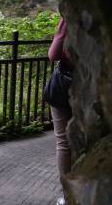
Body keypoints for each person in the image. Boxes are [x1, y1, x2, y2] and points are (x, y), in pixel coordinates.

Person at [48, 18, 72, 205]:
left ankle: (68, 195)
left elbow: (53, 55)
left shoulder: (69, 19)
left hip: (64, 87)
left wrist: (61, 32)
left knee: (63, 143)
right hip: (94, 86)